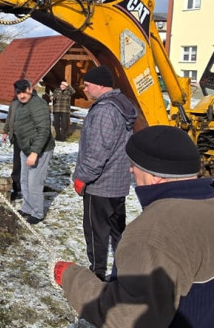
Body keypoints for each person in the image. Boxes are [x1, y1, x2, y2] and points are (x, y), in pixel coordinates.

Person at [50, 125, 214, 327]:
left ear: (155, 174)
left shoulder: (152, 232)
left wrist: (70, 277)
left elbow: (126, 318)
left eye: (135, 165)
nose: (131, 170)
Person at [72, 65, 137, 281]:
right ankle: (123, 271)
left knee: (96, 231)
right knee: (117, 230)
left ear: (100, 85)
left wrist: (83, 177)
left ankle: (97, 274)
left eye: (88, 85)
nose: (85, 89)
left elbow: (97, 150)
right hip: (117, 184)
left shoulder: (105, 110)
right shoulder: (121, 105)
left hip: (100, 185)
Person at [7, 79, 54, 224]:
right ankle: (27, 207)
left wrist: (34, 152)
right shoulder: (21, 104)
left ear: (30, 89)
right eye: (18, 92)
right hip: (25, 148)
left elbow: (44, 130)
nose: (21, 95)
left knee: (34, 182)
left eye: (24, 91)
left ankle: (37, 212)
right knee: (24, 180)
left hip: (40, 150)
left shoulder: (38, 105)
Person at [0, 96, 22, 201]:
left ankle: (26, 187)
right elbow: (9, 117)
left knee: (27, 163)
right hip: (16, 136)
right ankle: (16, 186)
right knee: (17, 162)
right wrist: (6, 131)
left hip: (27, 137)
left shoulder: (31, 102)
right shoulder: (14, 101)